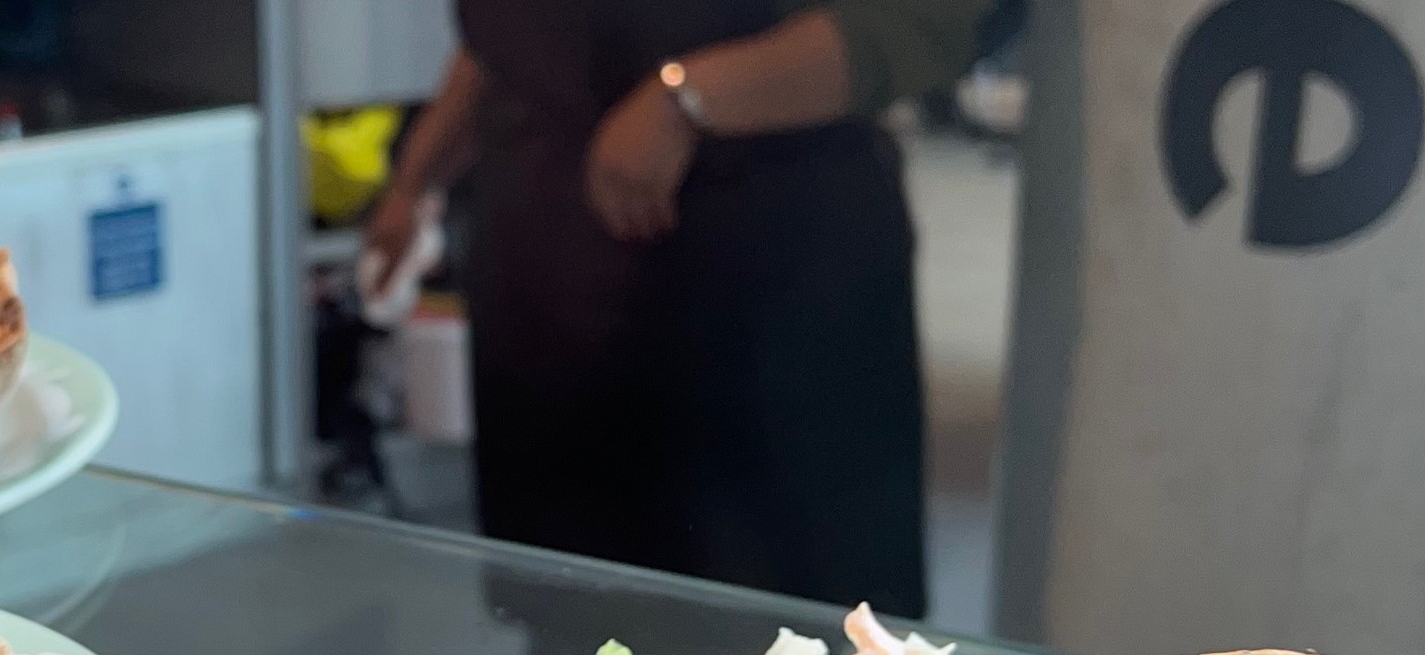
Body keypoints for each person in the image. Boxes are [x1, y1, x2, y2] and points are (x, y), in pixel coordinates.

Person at [367, 2, 986, 619]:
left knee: (781, 617)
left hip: (764, 248)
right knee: (571, 608)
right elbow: (506, 39)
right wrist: (414, 180)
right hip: (546, 242)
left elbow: (922, 19)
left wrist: (689, 99)